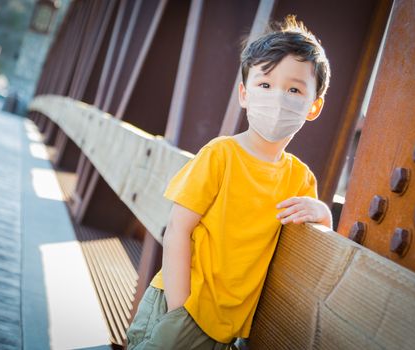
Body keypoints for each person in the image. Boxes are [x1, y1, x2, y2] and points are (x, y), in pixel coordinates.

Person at [126, 15, 332, 349]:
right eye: (265, 85)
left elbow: (314, 239)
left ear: (314, 106)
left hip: (225, 329)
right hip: (185, 306)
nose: (278, 98)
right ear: (244, 94)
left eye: (294, 89)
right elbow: (178, 228)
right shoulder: (221, 154)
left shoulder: (300, 178)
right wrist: (180, 309)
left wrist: (321, 213)